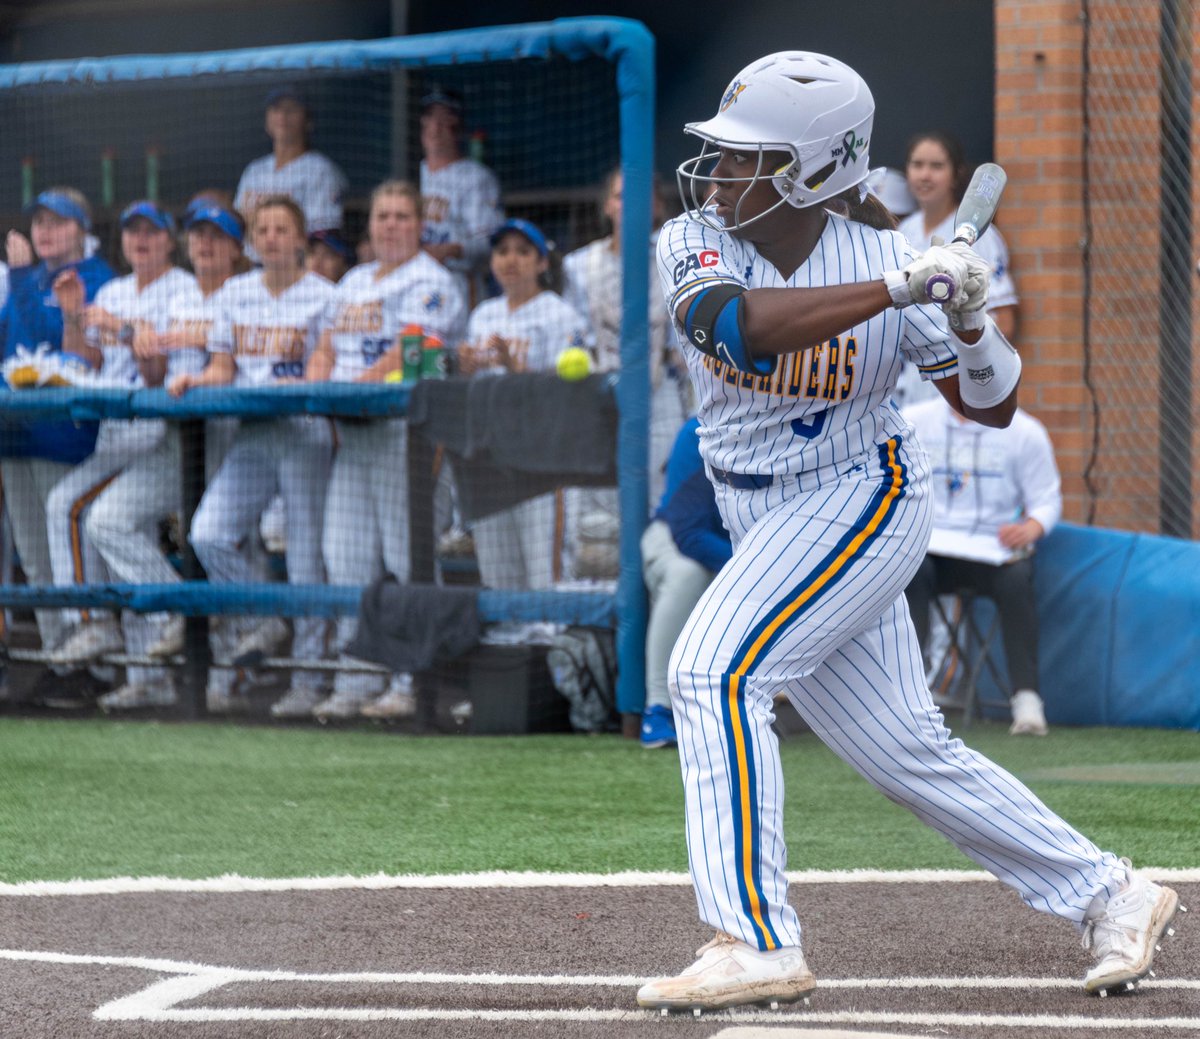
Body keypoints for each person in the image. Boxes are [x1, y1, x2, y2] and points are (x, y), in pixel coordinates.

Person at [637, 51, 1179, 1012]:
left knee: (712, 669)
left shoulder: (889, 260)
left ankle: (755, 939)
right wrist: (902, 289)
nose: (718, 175)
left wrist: (969, 318)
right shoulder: (694, 238)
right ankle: (1115, 892)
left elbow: (995, 406)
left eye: (744, 159)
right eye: (719, 156)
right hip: (755, 506)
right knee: (905, 750)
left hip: (861, 495)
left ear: (809, 171)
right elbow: (734, 327)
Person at [304, 180, 465, 721]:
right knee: (343, 555)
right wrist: (319, 388)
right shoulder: (351, 280)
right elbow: (324, 347)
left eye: (401, 216)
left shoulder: (433, 281)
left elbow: (409, 346)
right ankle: (357, 678)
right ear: (369, 224)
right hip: (357, 436)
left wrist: (350, 391)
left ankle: (418, 679)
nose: (390, 224)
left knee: (407, 558)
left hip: (408, 438)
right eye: (382, 216)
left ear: (419, 225)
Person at [83, 204, 247, 710]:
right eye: (199, 234)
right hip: (178, 439)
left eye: (216, 237)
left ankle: (228, 683)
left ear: (237, 248)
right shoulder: (181, 300)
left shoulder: (247, 291)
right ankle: (179, 617)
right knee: (108, 522)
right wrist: (145, 348)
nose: (206, 245)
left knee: (225, 547)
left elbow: (238, 357)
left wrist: (172, 344)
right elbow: (154, 376)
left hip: (240, 438)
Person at [179, 195, 336, 719]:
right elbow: (223, 368)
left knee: (308, 559)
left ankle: (311, 681)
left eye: (281, 229)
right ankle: (262, 621)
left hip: (303, 434)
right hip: (254, 435)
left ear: (300, 238)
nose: (270, 237)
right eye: (262, 229)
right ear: (252, 241)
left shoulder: (325, 296)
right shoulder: (234, 294)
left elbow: (322, 371)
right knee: (207, 533)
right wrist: (194, 380)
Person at [46, 200, 195, 711]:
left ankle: (92, 623)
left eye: (152, 232)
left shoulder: (183, 289)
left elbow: (156, 374)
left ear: (169, 240)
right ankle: (147, 674)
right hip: (116, 438)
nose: (141, 240)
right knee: (108, 540)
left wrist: (128, 332)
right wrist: (73, 317)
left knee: (75, 510)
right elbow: (83, 359)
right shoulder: (111, 290)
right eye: (133, 232)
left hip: (162, 438)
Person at [0, 188, 114, 704]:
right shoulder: (27, 279)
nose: (45, 230)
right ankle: (57, 657)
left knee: (66, 546)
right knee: (33, 553)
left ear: (81, 228)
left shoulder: (96, 278)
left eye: (58, 222)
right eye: (40, 221)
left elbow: (68, 348)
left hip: (63, 436)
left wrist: (23, 278)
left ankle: (94, 664)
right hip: (16, 432)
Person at [902, 394, 1062, 736]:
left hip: (994, 550)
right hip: (932, 547)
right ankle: (907, 696)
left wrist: (1031, 528)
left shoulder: (1025, 431)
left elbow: (1046, 500)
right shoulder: (912, 421)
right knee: (906, 571)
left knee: (1018, 578)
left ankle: (1027, 698)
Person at [456, 218, 587, 590]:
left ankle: (554, 643)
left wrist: (516, 368)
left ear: (543, 263)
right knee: (498, 567)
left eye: (522, 251)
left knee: (545, 568)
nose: (510, 259)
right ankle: (509, 638)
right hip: (491, 454)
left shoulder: (561, 314)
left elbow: (575, 392)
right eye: (502, 251)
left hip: (543, 456)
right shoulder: (483, 315)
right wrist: (464, 368)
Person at [562, 166, 690, 519]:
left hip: (659, 391)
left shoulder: (676, 261)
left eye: (640, 196)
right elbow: (571, 339)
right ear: (606, 207)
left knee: (659, 500)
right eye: (620, 196)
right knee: (594, 507)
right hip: (598, 393)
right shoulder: (577, 266)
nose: (629, 205)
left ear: (657, 207)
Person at [895, 131, 1020, 410]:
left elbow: (1006, 319)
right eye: (917, 165)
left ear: (956, 174)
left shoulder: (983, 237)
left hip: (954, 376)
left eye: (936, 166)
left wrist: (963, 339)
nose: (925, 175)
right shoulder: (904, 231)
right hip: (909, 380)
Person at [639, 417, 731, 749]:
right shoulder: (700, 431)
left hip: (736, 547)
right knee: (688, 574)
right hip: (674, 540)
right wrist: (749, 566)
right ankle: (658, 708)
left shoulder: (789, 433)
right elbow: (688, 532)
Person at [234, 86, 349, 257]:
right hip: (250, 268)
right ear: (267, 121)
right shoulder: (253, 171)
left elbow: (320, 234)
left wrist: (261, 222)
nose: (282, 116)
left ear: (308, 121)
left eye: (291, 109)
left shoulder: (321, 171)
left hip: (294, 267)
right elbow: (237, 223)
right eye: (276, 109)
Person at [418, 87, 504, 304]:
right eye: (430, 117)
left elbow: (491, 243)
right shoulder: (412, 174)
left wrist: (449, 250)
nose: (435, 128)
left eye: (445, 119)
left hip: (459, 285)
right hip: (414, 281)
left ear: (458, 127)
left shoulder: (476, 178)